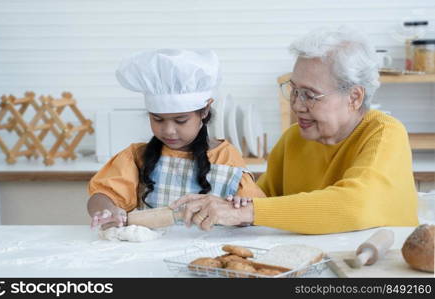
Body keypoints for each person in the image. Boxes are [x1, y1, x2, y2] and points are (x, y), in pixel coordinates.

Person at [170, 27, 419, 234]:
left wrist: (250, 211)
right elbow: (260, 201)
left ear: (354, 97)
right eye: (294, 90)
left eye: (310, 95)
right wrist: (230, 206)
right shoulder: (294, 138)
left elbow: (357, 204)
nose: (297, 105)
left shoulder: (385, 133)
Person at [87, 49, 265, 230]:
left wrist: (242, 208)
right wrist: (107, 210)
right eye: (157, 119)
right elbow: (102, 195)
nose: (168, 130)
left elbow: (255, 212)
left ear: (204, 111)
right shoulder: (136, 156)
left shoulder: (226, 158)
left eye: (181, 120)